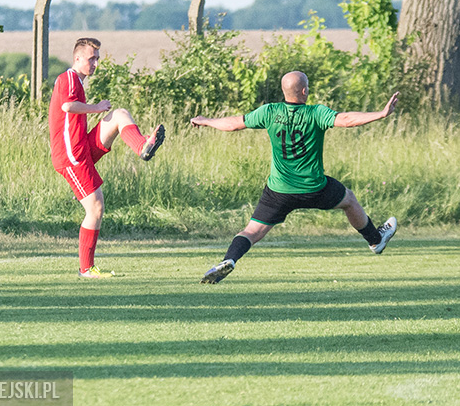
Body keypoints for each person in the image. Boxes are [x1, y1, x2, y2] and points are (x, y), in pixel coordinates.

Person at [191, 70, 399, 284]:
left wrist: (207, 121)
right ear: (304, 91)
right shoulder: (315, 113)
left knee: (251, 231)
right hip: (315, 188)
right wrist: (380, 114)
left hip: (279, 191)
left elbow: (234, 123)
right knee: (349, 200)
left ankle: (229, 260)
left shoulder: (270, 111)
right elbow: (346, 120)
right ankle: (375, 241)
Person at [48, 37, 166, 278]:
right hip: (72, 155)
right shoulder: (68, 78)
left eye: (97, 59)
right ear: (77, 58)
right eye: (91, 59)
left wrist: (100, 109)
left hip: (81, 147)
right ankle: (86, 269)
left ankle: (143, 146)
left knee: (120, 115)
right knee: (96, 208)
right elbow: (69, 107)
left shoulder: (77, 81)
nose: (95, 64)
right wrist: (97, 107)